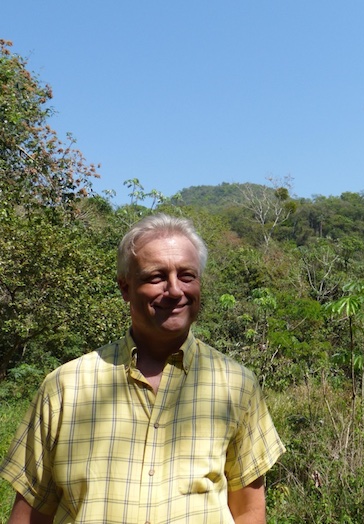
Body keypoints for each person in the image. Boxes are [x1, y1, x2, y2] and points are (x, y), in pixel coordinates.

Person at [0, 213, 285, 523]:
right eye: (156, 277)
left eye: (186, 275)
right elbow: (30, 514)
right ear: (125, 288)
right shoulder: (65, 387)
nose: (175, 290)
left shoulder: (237, 385)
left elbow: (248, 510)